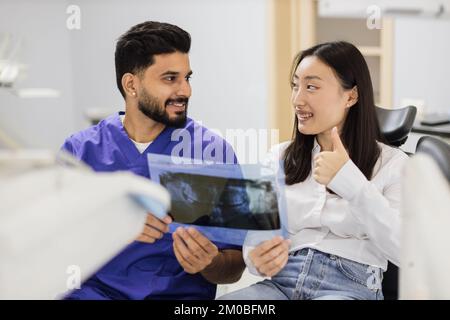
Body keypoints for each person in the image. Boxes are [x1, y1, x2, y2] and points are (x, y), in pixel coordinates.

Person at [62, 21, 245, 300]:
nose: (185, 91)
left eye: (187, 78)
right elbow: (49, 246)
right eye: (170, 79)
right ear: (131, 85)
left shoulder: (213, 152)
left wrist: (211, 263)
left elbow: (234, 266)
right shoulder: (79, 152)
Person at [218, 41, 408, 300]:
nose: (297, 99)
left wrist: (349, 180)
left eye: (311, 87)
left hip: (348, 286)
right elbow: (255, 239)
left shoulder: (394, 164)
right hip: (281, 283)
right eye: (295, 86)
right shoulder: (278, 157)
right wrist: (256, 257)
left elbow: (404, 251)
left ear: (350, 96)